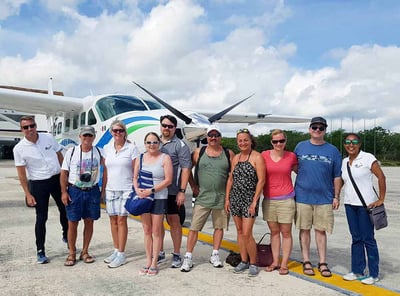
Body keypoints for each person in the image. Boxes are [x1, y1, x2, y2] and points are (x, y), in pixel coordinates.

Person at [13, 116, 68, 264]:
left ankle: (67, 236)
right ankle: (40, 250)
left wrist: (65, 177)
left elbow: (59, 156)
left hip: (56, 179)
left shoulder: (48, 138)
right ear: (21, 130)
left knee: (65, 208)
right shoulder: (19, 149)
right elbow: (22, 175)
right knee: (41, 217)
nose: (30, 129)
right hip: (38, 184)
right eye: (26, 127)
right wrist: (28, 194)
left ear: (36, 126)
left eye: (32, 125)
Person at [181, 126, 234, 272]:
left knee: (219, 227)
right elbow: (187, 169)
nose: (213, 138)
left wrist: (229, 197)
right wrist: (192, 186)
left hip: (221, 198)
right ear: (207, 137)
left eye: (216, 135)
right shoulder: (199, 152)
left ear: (220, 138)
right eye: (211, 135)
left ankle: (215, 254)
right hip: (202, 197)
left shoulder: (228, 153)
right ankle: (188, 256)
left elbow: (232, 175)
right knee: (194, 228)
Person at [294, 116, 342, 277]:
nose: (317, 130)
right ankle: (306, 260)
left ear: (325, 131)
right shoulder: (300, 147)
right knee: (304, 229)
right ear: (309, 129)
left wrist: (336, 196)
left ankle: (322, 262)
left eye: (321, 128)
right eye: (314, 127)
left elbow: (337, 176)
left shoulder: (333, 150)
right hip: (302, 196)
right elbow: (295, 167)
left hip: (324, 197)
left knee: (321, 231)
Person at [340, 133, 386, 285]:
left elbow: (381, 177)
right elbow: (342, 181)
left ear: (359, 144)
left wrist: (381, 199)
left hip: (366, 206)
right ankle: (357, 270)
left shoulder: (367, 158)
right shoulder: (345, 161)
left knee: (368, 239)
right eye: (347, 142)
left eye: (354, 142)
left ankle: (373, 273)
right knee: (356, 238)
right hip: (349, 204)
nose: (350, 145)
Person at [60, 126, 104, 266]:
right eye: (85, 135)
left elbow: (109, 168)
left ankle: (85, 251)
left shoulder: (99, 152)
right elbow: (64, 173)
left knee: (89, 221)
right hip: (75, 190)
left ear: (94, 137)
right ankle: (71, 252)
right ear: (80, 136)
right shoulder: (71, 152)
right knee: (72, 222)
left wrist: (103, 190)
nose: (87, 138)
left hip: (92, 190)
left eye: (90, 136)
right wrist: (64, 192)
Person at [225, 128, 265, 277]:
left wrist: (254, 202)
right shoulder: (236, 158)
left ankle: (253, 262)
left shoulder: (257, 157)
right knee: (240, 232)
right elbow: (231, 179)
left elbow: (261, 181)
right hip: (235, 197)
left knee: (247, 233)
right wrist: (227, 199)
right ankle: (243, 260)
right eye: (240, 140)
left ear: (250, 141)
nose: (243, 143)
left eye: (245, 140)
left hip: (249, 198)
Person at [102, 120, 139, 268]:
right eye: (115, 131)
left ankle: (122, 254)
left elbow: (136, 169)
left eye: (120, 131)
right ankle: (116, 250)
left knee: (122, 220)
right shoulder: (107, 148)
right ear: (111, 132)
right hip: (111, 188)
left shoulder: (132, 148)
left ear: (124, 132)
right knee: (113, 221)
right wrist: (103, 189)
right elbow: (105, 171)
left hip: (126, 188)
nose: (117, 133)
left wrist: (135, 187)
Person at [135, 132, 173, 276]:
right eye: (149, 142)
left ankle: (154, 262)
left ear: (159, 143)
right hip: (144, 198)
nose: (152, 145)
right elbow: (134, 177)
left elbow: (168, 180)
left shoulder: (165, 158)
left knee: (156, 231)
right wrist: (138, 190)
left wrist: (152, 190)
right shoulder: (140, 158)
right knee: (146, 230)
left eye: (155, 142)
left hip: (159, 197)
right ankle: (147, 260)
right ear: (145, 144)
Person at [261, 129, 298, 275]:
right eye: (275, 141)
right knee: (274, 232)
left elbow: (301, 173)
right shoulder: (264, 155)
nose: (278, 144)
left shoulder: (291, 156)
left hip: (286, 199)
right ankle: (275, 261)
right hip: (269, 199)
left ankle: (284, 264)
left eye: (281, 141)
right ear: (271, 142)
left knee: (286, 233)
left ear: (285, 141)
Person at [158, 115, 192, 268]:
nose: (166, 128)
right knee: (157, 223)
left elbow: (186, 169)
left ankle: (177, 253)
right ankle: (159, 251)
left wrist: (182, 191)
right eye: (164, 125)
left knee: (174, 222)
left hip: (172, 191)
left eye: (170, 126)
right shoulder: (155, 142)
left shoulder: (181, 145)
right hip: (156, 190)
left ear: (174, 128)